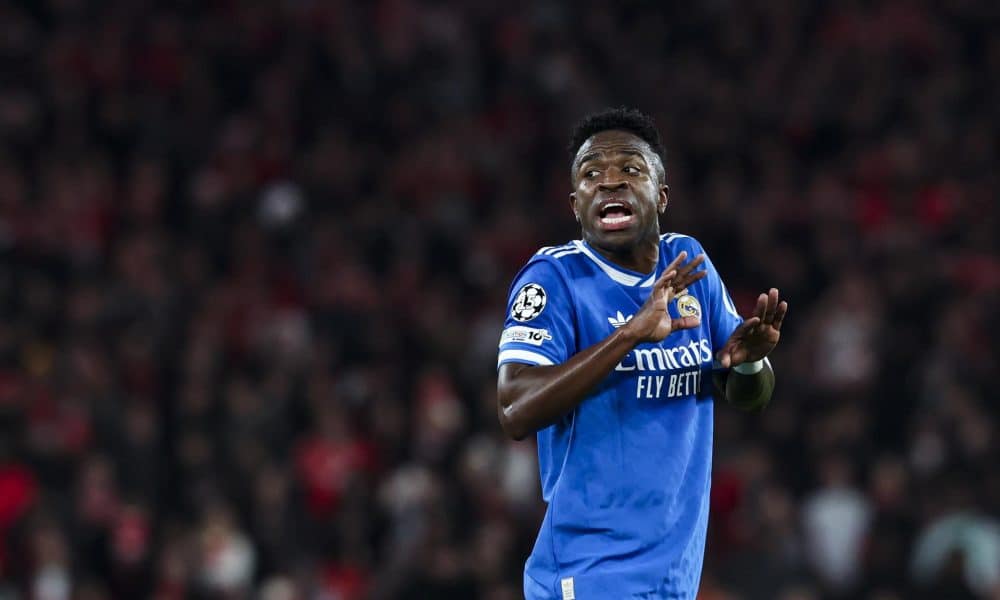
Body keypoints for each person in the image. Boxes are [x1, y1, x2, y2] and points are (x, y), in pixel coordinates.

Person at [496, 107, 788, 599]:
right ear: (575, 204)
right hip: (590, 573)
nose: (610, 183)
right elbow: (514, 409)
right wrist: (628, 335)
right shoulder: (555, 278)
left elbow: (749, 396)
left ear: (661, 195)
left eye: (630, 170)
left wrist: (751, 361)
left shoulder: (689, 265)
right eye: (592, 175)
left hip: (674, 576)